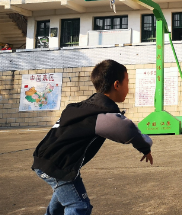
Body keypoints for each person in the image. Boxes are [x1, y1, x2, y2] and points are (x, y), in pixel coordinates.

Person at [32, 59, 154, 214]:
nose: (128, 89)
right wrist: (146, 147)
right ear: (116, 85)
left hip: (51, 161)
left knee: (63, 199)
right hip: (58, 166)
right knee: (78, 206)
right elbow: (128, 131)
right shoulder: (101, 114)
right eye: (127, 82)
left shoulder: (84, 108)